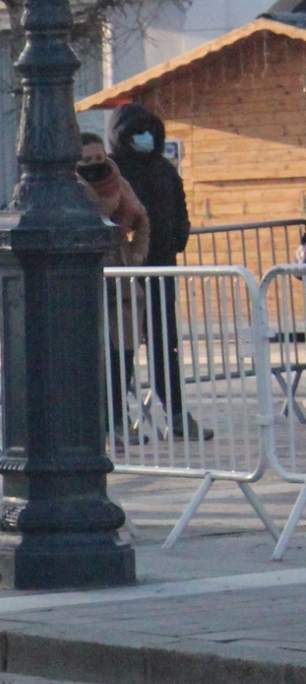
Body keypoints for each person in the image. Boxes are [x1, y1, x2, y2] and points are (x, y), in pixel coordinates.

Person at [110, 103, 202, 438]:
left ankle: (176, 416)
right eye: (137, 131)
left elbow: (180, 210)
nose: (145, 137)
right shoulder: (113, 171)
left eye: (149, 130)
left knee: (165, 345)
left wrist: (178, 239)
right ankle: (117, 421)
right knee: (124, 349)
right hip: (125, 275)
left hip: (162, 269)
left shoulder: (164, 169)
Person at [78, 133, 151, 436]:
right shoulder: (71, 188)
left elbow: (142, 219)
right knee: (94, 357)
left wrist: (135, 255)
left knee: (124, 355)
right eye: (87, 160)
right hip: (88, 281)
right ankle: (99, 422)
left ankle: (118, 419)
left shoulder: (120, 182)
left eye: (99, 158)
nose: (96, 165)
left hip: (121, 281)